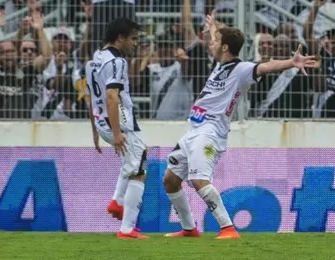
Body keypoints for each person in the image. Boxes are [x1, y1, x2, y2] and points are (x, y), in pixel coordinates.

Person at [162, 12, 317, 240]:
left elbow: (266, 67)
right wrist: (213, 26)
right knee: (170, 179)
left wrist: (291, 63)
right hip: (194, 130)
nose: (211, 43)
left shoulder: (241, 69)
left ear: (224, 47)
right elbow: (218, 37)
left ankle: (228, 228)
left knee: (199, 180)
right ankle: (189, 228)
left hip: (210, 132)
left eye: (215, 41)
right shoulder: (220, 64)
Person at [84, 17, 148, 239]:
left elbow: (91, 96)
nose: (135, 43)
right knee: (138, 171)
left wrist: (95, 131)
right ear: (120, 38)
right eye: (133, 39)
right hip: (119, 121)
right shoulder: (117, 62)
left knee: (137, 157)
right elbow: (112, 96)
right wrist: (118, 132)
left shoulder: (94, 59)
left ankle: (117, 202)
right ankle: (127, 228)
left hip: (102, 121)